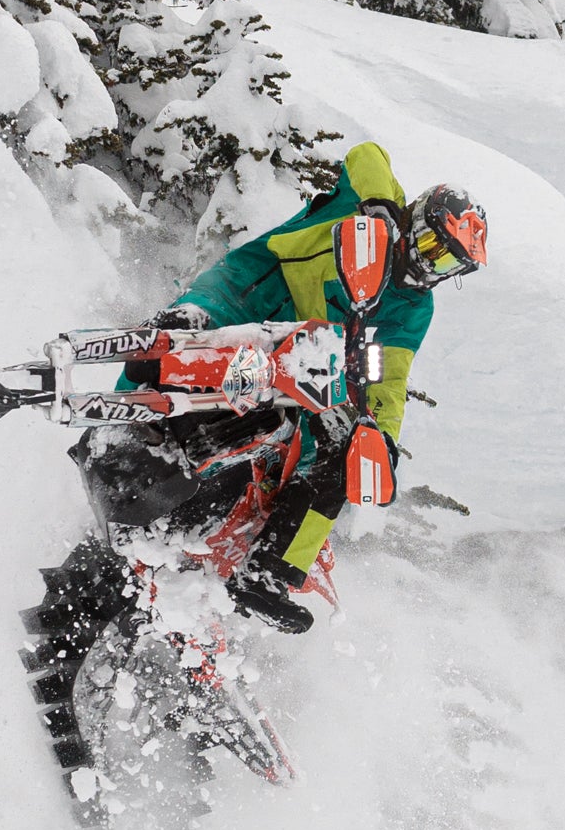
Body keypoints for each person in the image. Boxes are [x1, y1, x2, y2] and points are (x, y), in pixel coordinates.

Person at [163, 143, 488, 630]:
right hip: (245, 300)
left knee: (345, 452)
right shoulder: (373, 201)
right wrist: (378, 206)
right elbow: (368, 153)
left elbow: (390, 380)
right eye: (432, 246)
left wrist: (383, 438)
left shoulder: (414, 308)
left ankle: (269, 572)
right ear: (419, 219)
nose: (429, 264)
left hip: (302, 370)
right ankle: (115, 401)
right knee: (183, 337)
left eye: (446, 264)